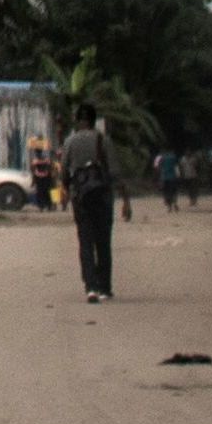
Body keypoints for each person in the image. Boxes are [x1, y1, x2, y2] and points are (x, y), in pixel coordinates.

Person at [60, 106, 118, 302]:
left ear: (78, 121)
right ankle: (105, 287)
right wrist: (124, 198)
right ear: (94, 121)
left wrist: (66, 190)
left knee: (85, 242)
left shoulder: (70, 141)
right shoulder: (104, 140)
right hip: (103, 197)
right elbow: (114, 171)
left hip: (81, 197)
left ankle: (90, 287)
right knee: (103, 242)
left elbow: (64, 172)